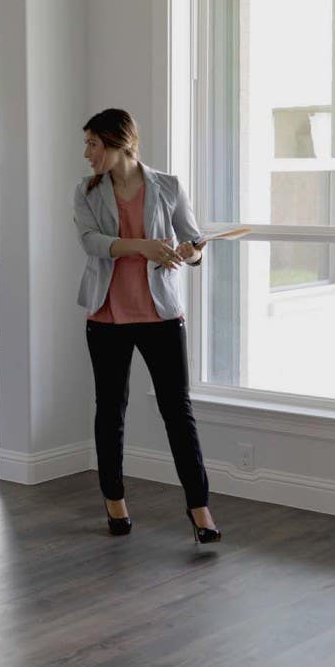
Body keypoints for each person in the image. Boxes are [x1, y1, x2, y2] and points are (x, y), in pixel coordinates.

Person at [73, 108, 222, 545]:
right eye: (87, 144)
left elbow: (194, 244)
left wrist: (187, 253)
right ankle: (114, 499)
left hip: (161, 315)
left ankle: (200, 508)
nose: (87, 154)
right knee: (110, 411)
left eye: (93, 144)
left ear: (120, 143)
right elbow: (90, 242)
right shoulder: (86, 191)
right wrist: (145, 247)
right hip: (107, 317)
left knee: (178, 412)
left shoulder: (168, 186)